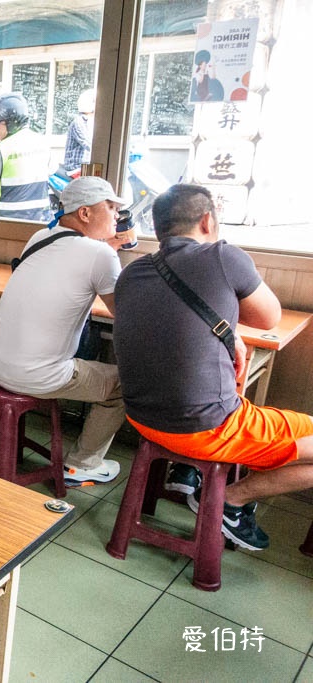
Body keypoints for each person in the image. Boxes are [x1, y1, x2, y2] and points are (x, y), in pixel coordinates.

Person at [113, 184, 313, 550]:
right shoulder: (224, 257)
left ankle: (188, 470)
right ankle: (231, 501)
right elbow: (269, 318)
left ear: (157, 228)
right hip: (204, 428)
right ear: (208, 220)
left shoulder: (131, 274)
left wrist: (226, 331)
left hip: (141, 418)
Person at [0, 176, 126, 484]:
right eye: (111, 207)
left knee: (21, 355)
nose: (117, 215)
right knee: (124, 386)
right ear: (85, 213)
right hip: (35, 376)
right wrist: (112, 255)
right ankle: (82, 465)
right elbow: (124, 314)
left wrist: (106, 250)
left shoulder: (40, 236)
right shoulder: (101, 255)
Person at [0, 92, 51, 222]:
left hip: (8, 220)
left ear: (12, 122)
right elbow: (51, 170)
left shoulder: (3, 148)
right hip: (40, 218)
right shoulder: (42, 142)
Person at [63, 88, 95, 174]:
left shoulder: (91, 121)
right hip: (76, 167)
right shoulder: (79, 122)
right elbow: (88, 144)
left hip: (87, 166)